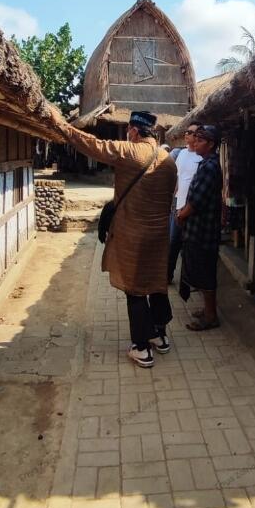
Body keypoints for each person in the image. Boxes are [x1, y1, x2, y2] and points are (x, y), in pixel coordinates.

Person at [67, 111, 177, 368]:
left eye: (129, 130)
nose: (128, 134)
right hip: (159, 234)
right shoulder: (168, 160)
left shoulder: (131, 152)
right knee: (156, 283)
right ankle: (160, 336)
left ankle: (141, 348)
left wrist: (64, 128)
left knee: (134, 288)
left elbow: (95, 146)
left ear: (135, 131)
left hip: (133, 235)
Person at [176, 125, 222, 330]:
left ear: (211, 144)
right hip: (199, 229)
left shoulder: (210, 167)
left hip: (203, 231)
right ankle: (208, 310)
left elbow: (196, 202)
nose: (195, 142)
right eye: (196, 138)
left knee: (205, 274)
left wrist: (181, 215)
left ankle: (211, 316)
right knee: (202, 272)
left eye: (201, 140)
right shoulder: (206, 164)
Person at [167, 123, 202, 283]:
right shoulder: (180, 154)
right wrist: (173, 198)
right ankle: (167, 275)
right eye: (187, 131)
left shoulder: (202, 157)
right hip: (177, 204)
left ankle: (189, 280)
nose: (186, 134)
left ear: (198, 136)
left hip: (193, 208)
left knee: (190, 245)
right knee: (173, 241)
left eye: (191, 132)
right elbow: (177, 178)